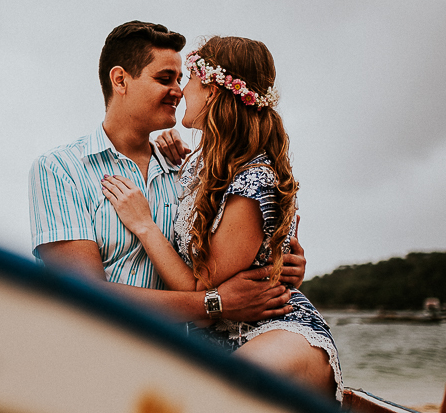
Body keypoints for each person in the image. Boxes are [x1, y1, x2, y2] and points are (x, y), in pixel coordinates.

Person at [100, 36, 341, 400]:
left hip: (273, 333)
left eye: (190, 78)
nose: (181, 91)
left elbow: (201, 293)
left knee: (208, 396)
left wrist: (145, 226)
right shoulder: (203, 165)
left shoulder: (253, 183)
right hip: (216, 341)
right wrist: (183, 159)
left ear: (212, 91)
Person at [29, 21, 306, 328]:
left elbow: (229, 256)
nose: (178, 90)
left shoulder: (189, 173)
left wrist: (279, 266)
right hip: (95, 354)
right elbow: (81, 295)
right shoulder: (61, 169)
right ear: (120, 80)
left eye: (181, 78)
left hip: (175, 360)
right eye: (165, 78)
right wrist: (215, 304)